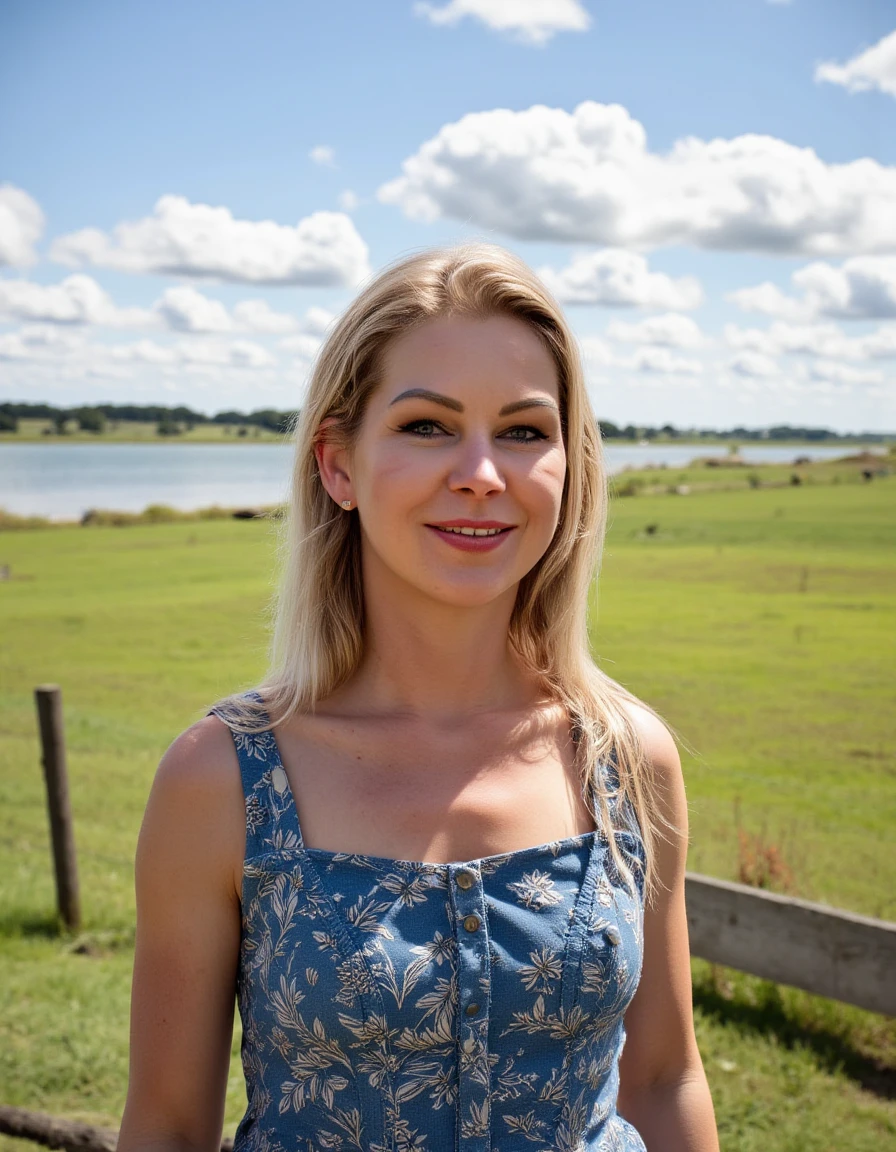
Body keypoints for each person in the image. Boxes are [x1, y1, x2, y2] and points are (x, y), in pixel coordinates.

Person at [118, 244, 719, 1152]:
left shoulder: (624, 758)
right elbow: (166, 1125)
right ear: (338, 467)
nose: (482, 470)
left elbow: (665, 1076)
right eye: (429, 426)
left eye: (524, 431)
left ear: (569, 466)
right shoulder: (224, 778)